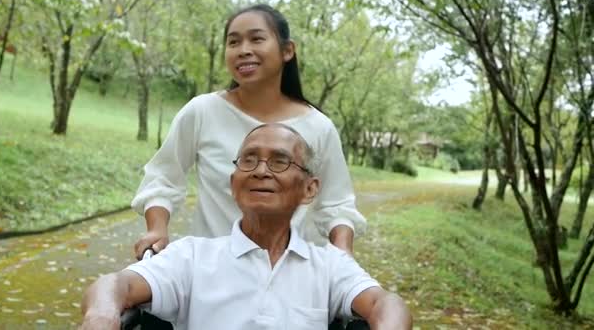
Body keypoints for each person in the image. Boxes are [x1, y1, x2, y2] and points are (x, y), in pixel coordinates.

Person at [81, 124, 412, 330]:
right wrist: (101, 315)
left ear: (310, 189)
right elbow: (116, 284)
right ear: (233, 182)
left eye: (279, 161)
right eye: (249, 160)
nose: (261, 171)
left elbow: (386, 303)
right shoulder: (192, 257)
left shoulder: (328, 265)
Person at [131, 4, 366, 259]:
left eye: (256, 39)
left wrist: (343, 254)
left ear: (287, 50)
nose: (243, 50)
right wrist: (157, 229)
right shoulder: (202, 111)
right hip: (211, 273)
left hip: (288, 276)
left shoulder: (319, 127)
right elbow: (163, 178)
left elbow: (337, 204)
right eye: (233, 42)